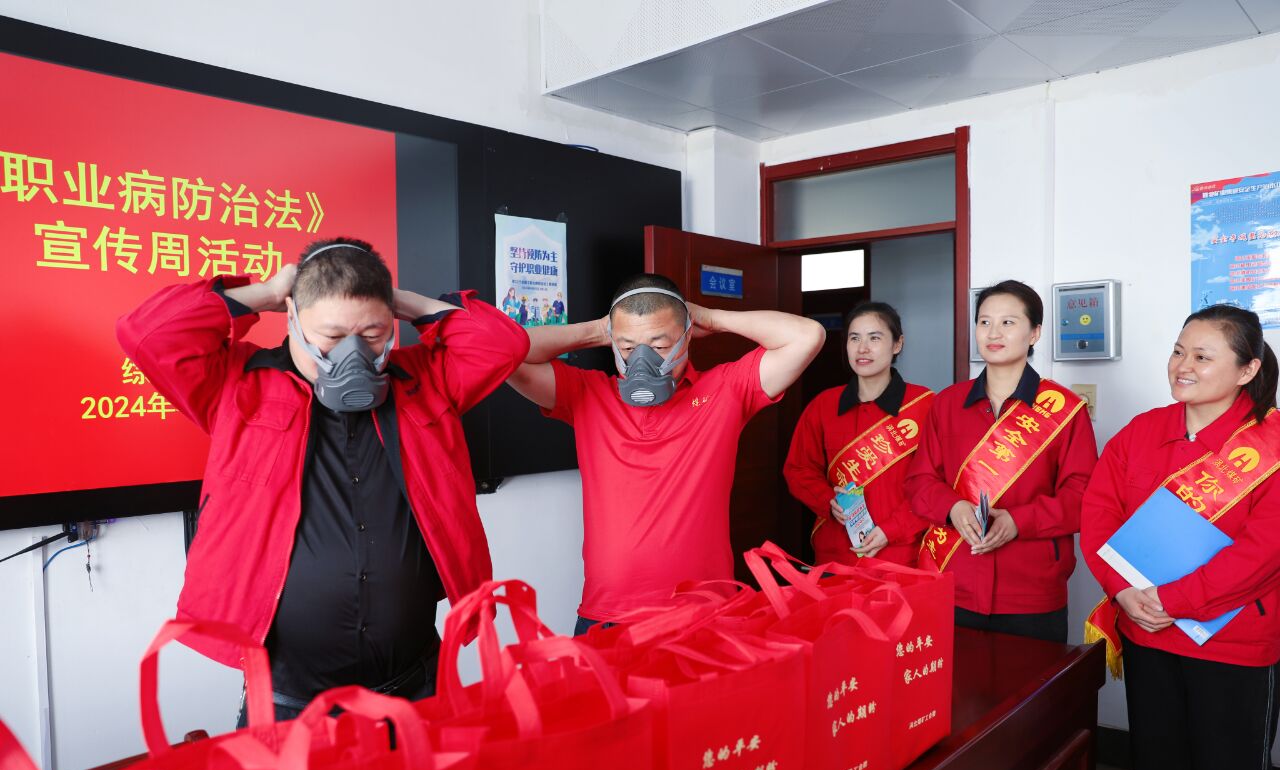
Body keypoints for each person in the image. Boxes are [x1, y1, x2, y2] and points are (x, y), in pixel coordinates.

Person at [116, 238, 529, 722]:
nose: (353, 354)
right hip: (292, 700)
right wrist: (269, 292)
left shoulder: (427, 382)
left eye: (372, 334)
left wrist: (398, 300)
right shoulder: (238, 383)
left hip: (418, 683)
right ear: (293, 317)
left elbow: (505, 344)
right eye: (331, 336)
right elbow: (147, 334)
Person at [506, 273, 825, 634]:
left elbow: (807, 335)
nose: (641, 360)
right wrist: (598, 330)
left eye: (658, 346)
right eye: (628, 348)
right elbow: (504, 353)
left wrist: (711, 317)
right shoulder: (586, 393)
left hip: (704, 616)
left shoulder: (725, 390)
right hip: (607, 616)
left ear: (687, 336)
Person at [1081, 305, 1280, 770]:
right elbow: (1098, 515)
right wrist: (1122, 591)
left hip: (1233, 643)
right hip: (1148, 634)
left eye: (1201, 356)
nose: (1182, 366)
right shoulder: (1142, 431)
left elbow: (1262, 553)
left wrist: (1174, 599)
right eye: (1177, 351)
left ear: (1247, 370)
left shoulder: (1272, 443)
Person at [905, 280, 1097, 642]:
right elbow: (920, 482)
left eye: (1008, 322)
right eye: (984, 322)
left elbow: (1083, 497)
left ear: (1034, 332)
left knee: (1033, 680)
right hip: (954, 580)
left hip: (1031, 590)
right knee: (957, 679)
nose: (993, 333)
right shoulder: (947, 403)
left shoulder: (1065, 410)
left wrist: (1018, 521)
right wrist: (953, 508)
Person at [784, 302, 933, 567]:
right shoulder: (824, 405)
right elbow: (799, 469)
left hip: (902, 555)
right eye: (854, 338)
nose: (862, 348)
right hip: (836, 554)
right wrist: (827, 500)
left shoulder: (924, 405)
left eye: (874, 338)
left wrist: (893, 529)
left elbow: (938, 483)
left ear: (897, 344)